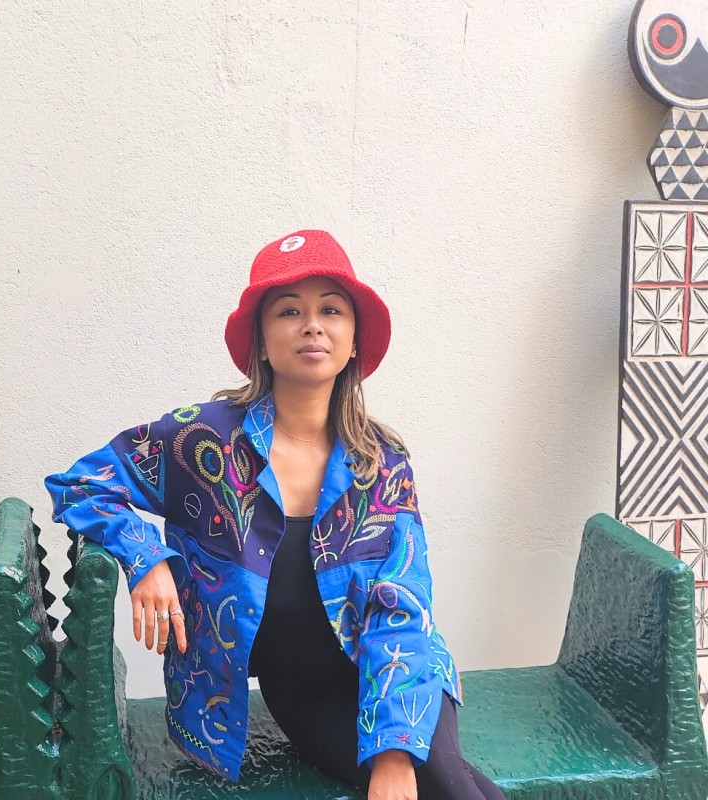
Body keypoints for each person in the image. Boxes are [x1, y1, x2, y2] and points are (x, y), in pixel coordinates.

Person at [45, 230, 505, 800]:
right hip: (303, 691)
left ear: (354, 341)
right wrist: (146, 557)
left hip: (395, 673)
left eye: (330, 310)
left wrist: (393, 753)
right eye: (289, 311)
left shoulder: (381, 464)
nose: (312, 325)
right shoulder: (202, 440)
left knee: (449, 783)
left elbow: (405, 605)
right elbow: (81, 485)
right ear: (261, 342)